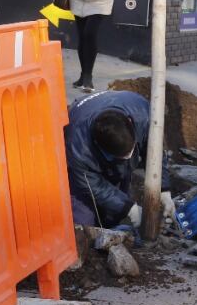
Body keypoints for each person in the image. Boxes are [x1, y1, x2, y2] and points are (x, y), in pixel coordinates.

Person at [64, 90, 173, 230]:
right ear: (98, 145)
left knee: (115, 208)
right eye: (122, 157)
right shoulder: (77, 147)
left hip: (117, 105)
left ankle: (112, 227)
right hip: (81, 129)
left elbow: (155, 151)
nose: (128, 158)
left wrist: (163, 190)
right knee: (84, 221)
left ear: (130, 122)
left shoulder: (144, 115)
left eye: (131, 152)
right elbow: (92, 186)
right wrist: (129, 209)